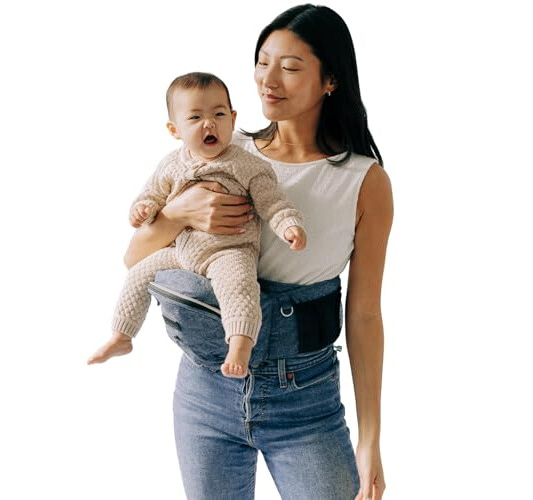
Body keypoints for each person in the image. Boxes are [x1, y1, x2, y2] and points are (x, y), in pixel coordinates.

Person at [119, 4, 391, 499]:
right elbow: (134, 258)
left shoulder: (361, 181)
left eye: (290, 66)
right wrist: (177, 214)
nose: (268, 79)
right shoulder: (222, 147)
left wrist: (370, 437)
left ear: (330, 80)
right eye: (262, 62)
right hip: (205, 389)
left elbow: (365, 313)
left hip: (305, 400)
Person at [87, 72, 308, 378]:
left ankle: (239, 346)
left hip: (228, 250)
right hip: (181, 251)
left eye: (219, 114)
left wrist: (289, 226)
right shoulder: (170, 165)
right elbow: (151, 196)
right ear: (174, 129)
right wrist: (142, 210)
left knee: (239, 287)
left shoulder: (248, 166)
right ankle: (122, 336)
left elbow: (273, 203)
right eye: (195, 117)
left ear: (233, 118)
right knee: (139, 273)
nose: (209, 124)